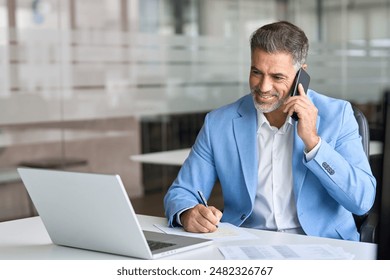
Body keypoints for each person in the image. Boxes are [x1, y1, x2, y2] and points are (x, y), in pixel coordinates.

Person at [163, 21, 376, 241]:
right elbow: (181, 192)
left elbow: (362, 201)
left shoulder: (337, 115)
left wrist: (314, 143)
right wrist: (188, 213)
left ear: (301, 75)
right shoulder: (219, 123)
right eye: (256, 72)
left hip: (324, 244)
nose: (263, 87)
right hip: (246, 244)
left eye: (277, 77)